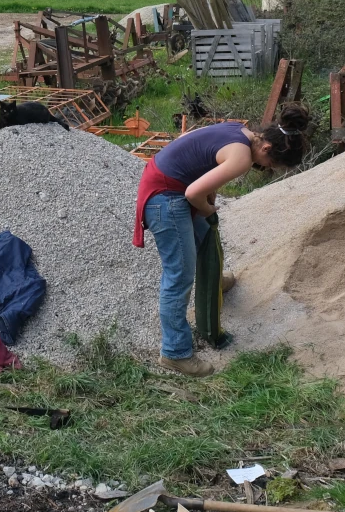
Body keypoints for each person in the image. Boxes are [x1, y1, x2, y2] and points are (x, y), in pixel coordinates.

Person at [133, 106, 311, 377]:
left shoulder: (238, 130)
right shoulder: (241, 158)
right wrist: (207, 209)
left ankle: (214, 281)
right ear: (265, 148)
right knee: (179, 274)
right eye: (272, 165)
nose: (267, 169)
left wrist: (209, 195)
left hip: (164, 179)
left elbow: (189, 146)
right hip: (164, 198)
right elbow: (194, 193)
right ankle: (174, 353)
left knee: (205, 236)